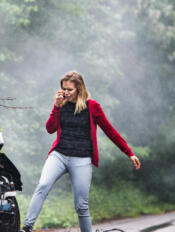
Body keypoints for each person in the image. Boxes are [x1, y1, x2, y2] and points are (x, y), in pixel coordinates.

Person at [20, 71, 141, 232]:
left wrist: (129, 152)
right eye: (63, 89)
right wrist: (56, 106)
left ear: (79, 88)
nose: (66, 92)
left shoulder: (92, 107)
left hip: (82, 159)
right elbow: (50, 129)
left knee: (81, 205)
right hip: (59, 155)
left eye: (69, 89)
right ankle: (27, 227)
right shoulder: (61, 104)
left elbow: (109, 130)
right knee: (42, 186)